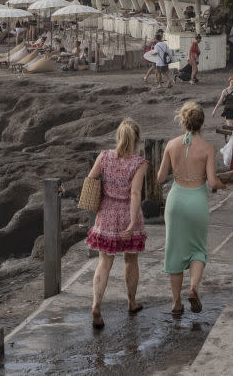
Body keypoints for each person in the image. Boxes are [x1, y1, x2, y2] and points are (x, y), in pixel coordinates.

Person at [157, 102, 230, 315]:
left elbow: (160, 178)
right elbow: (213, 183)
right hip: (196, 201)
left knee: (174, 251)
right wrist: (227, 183)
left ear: (182, 121)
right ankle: (194, 288)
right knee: (198, 249)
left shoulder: (171, 144)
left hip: (176, 201)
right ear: (202, 123)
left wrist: (175, 169)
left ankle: (176, 303)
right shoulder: (207, 148)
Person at [85, 118, 148, 329]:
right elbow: (135, 193)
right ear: (137, 139)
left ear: (118, 137)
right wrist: (131, 222)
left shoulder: (104, 157)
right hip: (128, 214)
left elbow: (91, 179)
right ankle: (131, 302)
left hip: (106, 214)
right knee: (130, 260)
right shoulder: (139, 163)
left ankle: (96, 305)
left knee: (104, 262)